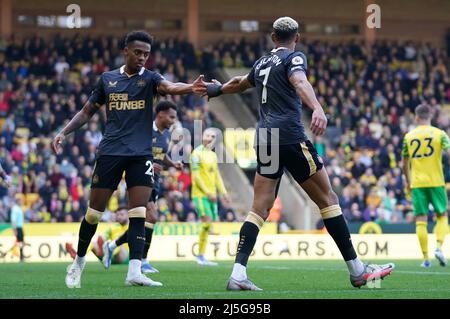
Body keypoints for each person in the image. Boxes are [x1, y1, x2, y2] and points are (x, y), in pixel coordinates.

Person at [205, 17, 395, 290]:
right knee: (328, 199)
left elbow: (239, 83)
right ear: (297, 38)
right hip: (290, 136)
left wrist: (217, 89)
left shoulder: (261, 63)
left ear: (272, 37)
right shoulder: (294, 59)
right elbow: (300, 81)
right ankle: (357, 270)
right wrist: (317, 107)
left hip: (265, 137)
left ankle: (237, 274)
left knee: (259, 207)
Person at [52, 30, 206, 288]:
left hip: (140, 155)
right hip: (110, 152)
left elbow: (169, 87)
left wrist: (190, 87)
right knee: (93, 214)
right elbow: (87, 110)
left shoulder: (150, 79)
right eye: (138, 53)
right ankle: (78, 262)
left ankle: (134, 272)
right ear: (126, 51)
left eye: (146, 54)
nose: (142, 58)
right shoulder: (108, 79)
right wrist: (63, 132)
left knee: (139, 213)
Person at [103, 100, 182, 273]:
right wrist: (149, 163)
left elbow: (162, 154)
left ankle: (113, 245)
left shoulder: (167, 134)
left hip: (155, 181)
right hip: (139, 179)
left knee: (144, 221)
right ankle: (142, 261)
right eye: (171, 117)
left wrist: (172, 164)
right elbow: (131, 152)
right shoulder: (144, 130)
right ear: (160, 114)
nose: (173, 121)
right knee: (151, 216)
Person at [402, 104, 449, 268]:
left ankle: (426, 259)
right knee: (442, 216)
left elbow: (404, 163)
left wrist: (408, 183)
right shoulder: (440, 134)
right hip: (436, 182)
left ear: (416, 118)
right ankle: (439, 247)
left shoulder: (408, 137)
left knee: (421, 220)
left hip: (417, 183)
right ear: (431, 116)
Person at [190, 128, 229, 266]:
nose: (210, 138)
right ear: (202, 136)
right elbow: (196, 177)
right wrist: (208, 192)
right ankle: (200, 256)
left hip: (212, 194)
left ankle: (202, 256)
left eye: (213, 136)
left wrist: (223, 192)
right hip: (201, 195)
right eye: (208, 135)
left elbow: (216, 175)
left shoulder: (212, 155)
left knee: (208, 225)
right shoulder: (196, 154)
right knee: (206, 222)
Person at [10, 195, 25, 262]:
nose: (21, 202)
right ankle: (19, 256)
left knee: (20, 242)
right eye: (20, 201)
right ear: (18, 201)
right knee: (19, 242)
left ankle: (21, 256)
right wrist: (14, 229)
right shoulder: (15, 208)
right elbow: (13, 220)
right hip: (17, 228)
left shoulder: (19, 208)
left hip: (20, 227)